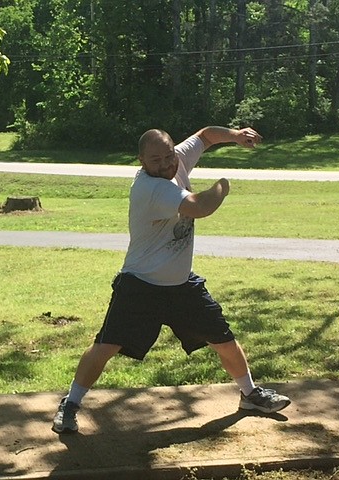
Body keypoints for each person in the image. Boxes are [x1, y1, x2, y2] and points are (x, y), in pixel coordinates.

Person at [52, 126, 291, 434]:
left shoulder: (174, 160)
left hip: (181, 285)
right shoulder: (151, 188)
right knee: (106, 346)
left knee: (223, 339)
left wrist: (234, 134)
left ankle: (250, 394)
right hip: (140, 285)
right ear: (141, 161)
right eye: (156, 160)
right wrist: (223, 186)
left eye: (169, 157)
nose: (166, 165)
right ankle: (70, 404)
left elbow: (205, 137)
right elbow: (199, 207)